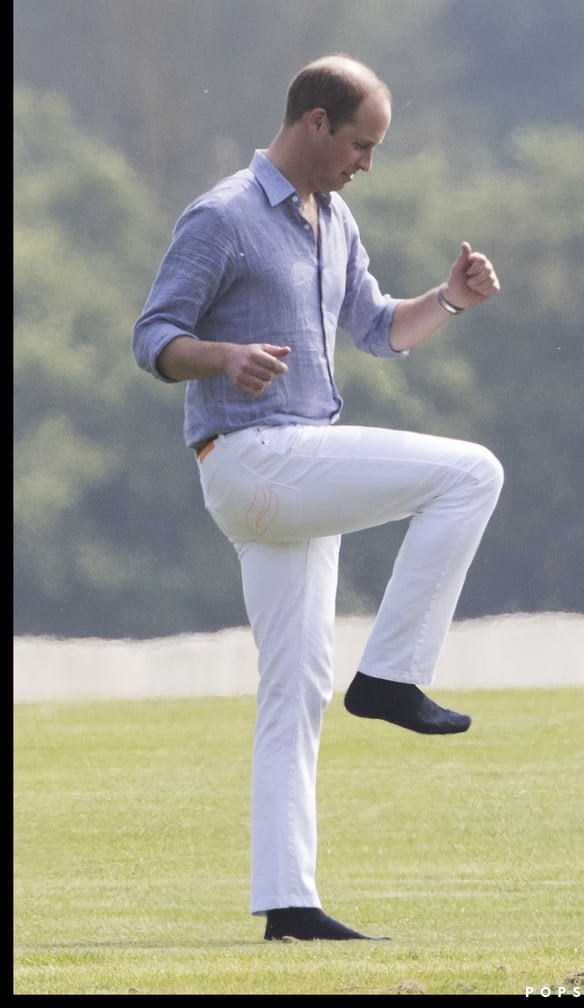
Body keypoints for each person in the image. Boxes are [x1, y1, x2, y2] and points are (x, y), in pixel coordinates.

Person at [132, 53, 504, 943]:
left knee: (293, 691)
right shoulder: (222, 215)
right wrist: (224, 357)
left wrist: (448, 301)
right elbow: (153, 337)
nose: (366, 162)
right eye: (361, 144)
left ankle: (288, 906)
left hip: (292, 473)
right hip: (253, 459)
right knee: (472, 472)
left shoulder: (334, 219)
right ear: (314, 124)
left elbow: (378, 328)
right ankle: (393, 677)